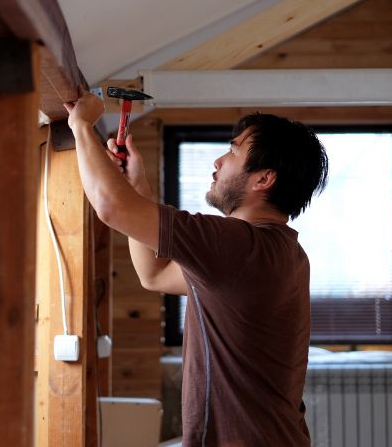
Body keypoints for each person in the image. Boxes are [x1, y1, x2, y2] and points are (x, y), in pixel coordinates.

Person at [64, 92, 328, 447]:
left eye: (234, 150)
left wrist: (81, 125)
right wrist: (135, 186)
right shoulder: (279, 251)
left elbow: (111, 208)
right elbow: (154, 275)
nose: (219, 161)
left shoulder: (238, 245)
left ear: (263, 179)